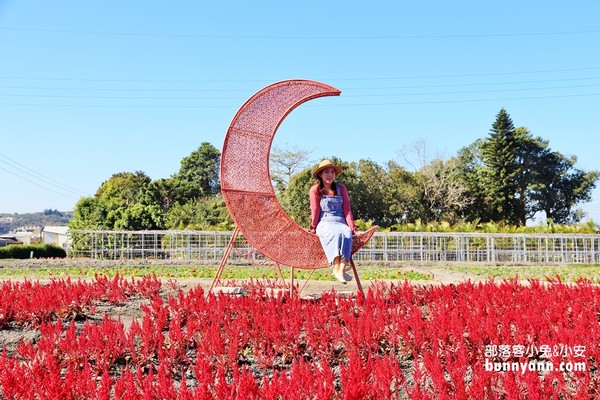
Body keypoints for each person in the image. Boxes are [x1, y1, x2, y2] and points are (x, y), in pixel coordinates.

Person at [308, 159, 359, 284]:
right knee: (335, 234)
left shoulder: (341, 189)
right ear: (320, 174)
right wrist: (313, 227)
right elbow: (315, 210)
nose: (330, 175)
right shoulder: (315, 190)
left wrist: (353, 228)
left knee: (347, 234)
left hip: (341, 221)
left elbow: (347, 210)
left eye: (332, 172)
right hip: (325, 222)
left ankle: (340, 270)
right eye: (327, 172)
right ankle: (337, 269)